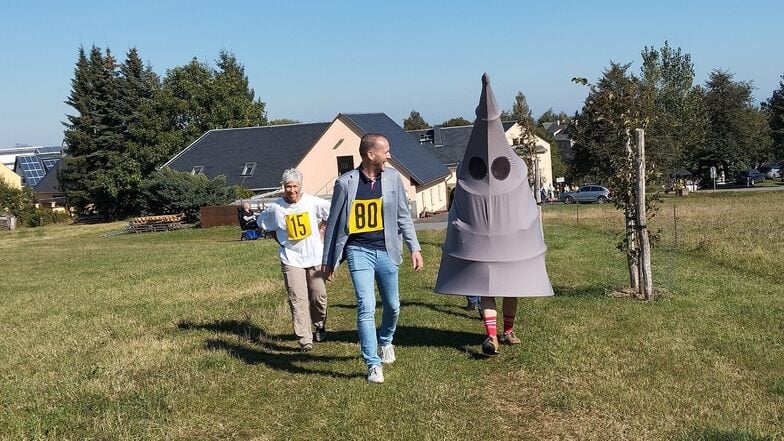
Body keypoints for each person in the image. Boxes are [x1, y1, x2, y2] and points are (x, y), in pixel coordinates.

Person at [434, 74, 553, 356]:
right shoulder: (506, 168)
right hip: (495, 245)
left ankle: (503, 332)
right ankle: (497, 334)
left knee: (501, 287)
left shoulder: (471, 169)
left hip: (500, 244)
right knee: (497, 287)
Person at [322, 133, 424, 384]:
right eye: (385, 151)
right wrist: (329, 261)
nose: (389, 155)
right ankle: (372, 363)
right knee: (365, 306)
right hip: (359, 251)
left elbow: (402, 215)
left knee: (393, 306)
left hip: (387, 250)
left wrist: (414, 247)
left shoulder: (392, 179)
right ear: (370, 155)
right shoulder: (345, 183)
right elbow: (334, 225)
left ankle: (386, 340)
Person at [260, 169, 331, 352]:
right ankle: (304, 339)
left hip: (314, 256)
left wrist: (322, 231)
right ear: (283, 187)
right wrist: (280, 240)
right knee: (297, 298)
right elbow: (264, 224)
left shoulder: (313, 202)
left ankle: (319, 324)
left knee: (318, 295)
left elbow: (331, 214)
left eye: (295, 186)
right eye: (288, 186)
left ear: (301, 186)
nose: (291, 190)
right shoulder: (276, 208)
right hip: (291, 259)